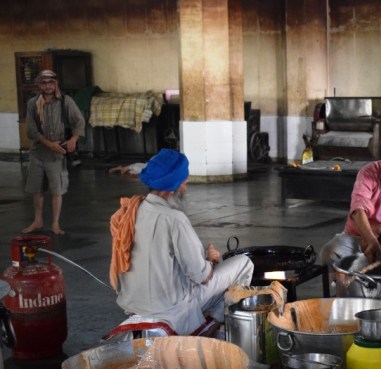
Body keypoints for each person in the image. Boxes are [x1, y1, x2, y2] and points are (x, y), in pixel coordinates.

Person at [109, 149, 254, 336]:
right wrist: (211, 259)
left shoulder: (131, 211)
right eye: (184, 182)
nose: (185, 187)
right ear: (173, 187)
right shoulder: (175, 219)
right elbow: (201, 276)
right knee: (244, 263)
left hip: (134, 303)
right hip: (171, 309)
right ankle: (212, 322)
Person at [22, 70, 85, 235]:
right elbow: (31, 130)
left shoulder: (65, 102)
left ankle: (55, 224)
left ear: (55, 83)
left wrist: (73, 139)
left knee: (57, 190)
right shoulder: (33, 103)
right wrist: (47, 143)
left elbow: (79, 121)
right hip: (38, 152)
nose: (47, 86)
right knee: (37, 189)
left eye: (51, 82)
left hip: (57, 153)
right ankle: (38, 220)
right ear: (38, 84)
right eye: (44, 83)